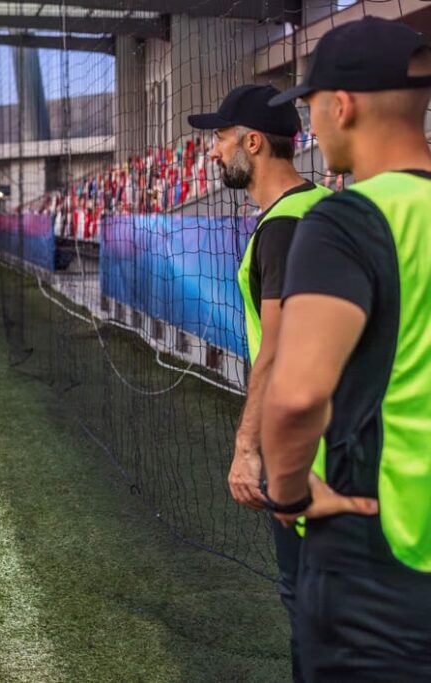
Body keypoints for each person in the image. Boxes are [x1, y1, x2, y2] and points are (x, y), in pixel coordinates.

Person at [261, 16, 431, 681]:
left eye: (309, 105)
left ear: (343, 104)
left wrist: (290, 494)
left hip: (380, 560)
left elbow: (298, 396)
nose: (310, 125)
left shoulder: (348, 218)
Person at [187, 84, 331, 682]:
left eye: (220, 138)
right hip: (336, 444)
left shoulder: (285, 227)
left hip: (312, 456)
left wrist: (247, 448)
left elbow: (276, 350)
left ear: (252, 142)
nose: (214, 152)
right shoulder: (315, 206)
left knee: (313, 617)